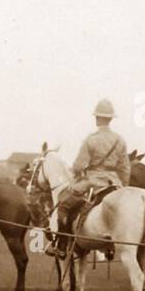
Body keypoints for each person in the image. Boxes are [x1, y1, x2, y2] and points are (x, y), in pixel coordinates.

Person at [48, 98, 129, 256]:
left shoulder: (91, 139)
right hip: (115, 183)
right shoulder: (120, 140)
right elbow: (125, 168)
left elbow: (78, 166)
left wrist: (79, 173)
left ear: (97, 118)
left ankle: (62, 245)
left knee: (64, 206)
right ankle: (109, 247)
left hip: (93, 182)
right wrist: (123, 186)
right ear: (111, 119)